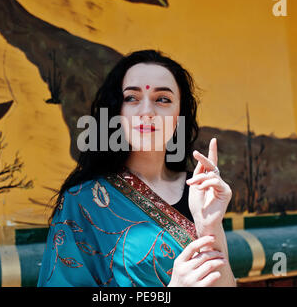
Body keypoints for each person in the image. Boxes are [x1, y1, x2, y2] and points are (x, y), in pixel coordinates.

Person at [37, 50, 236, 287]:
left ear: (179, 116)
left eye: (163, 99)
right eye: (132, 98)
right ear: (117, 113)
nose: (147, 112)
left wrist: (210, 227)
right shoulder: (84, 200)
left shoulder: (200, 190)